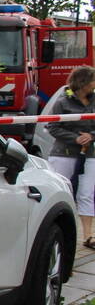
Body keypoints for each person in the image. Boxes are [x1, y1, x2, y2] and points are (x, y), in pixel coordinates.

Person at [47, 65, 95, 248]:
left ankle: (88, 236)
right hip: (64, 154)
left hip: (90, 154)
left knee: (86, 193)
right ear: (83, 82)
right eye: (93, 80)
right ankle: (59, 233)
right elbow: (52, 127)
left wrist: (91, 136)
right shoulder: (62, 102)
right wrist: (75, 138)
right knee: (61, 192)